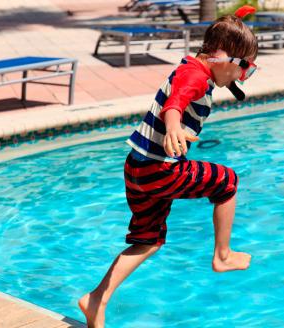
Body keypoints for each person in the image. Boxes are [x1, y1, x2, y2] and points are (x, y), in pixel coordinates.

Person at [78, 6, 259, 327]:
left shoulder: (192, 65)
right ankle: (223, 255)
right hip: (161, 171)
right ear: (222, 57)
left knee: (148, 239)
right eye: (244, 68)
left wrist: (238, 20)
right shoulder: (196, 77)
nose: (241, 77)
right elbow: (176, 102)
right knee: (227, 182)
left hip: (136, 166)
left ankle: (96, 299)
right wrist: (173, 124)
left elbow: (195, 74)